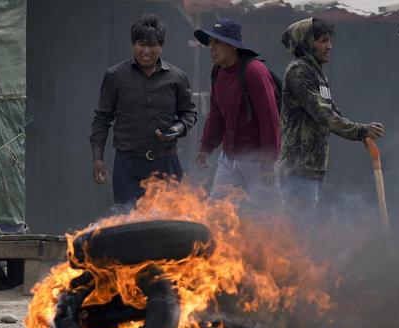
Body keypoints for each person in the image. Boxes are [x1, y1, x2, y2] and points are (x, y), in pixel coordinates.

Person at [278, 17, 385, 230]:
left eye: (329, 41)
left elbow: (334, 111)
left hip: (314, 168)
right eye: (323, 41)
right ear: (307, 42)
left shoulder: (316, 73)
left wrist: (361, 131)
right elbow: (323, 114)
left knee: (305, 230)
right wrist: (359, 130)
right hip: (298, 169)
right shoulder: (299, 72)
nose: (329, 47)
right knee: (296, 233)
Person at [90, 14, 197, 205]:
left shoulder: (177, 77)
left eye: (152, 45)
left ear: (161, 46)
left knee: (169, 223)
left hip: (166, 163)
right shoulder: (115, 76)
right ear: (133, 45)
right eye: (141, 44)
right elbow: (102, 119)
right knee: (130, 222)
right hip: (128, 165)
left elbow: (189, 113)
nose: (146, 51)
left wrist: (177, 129)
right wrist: (97, 159)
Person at [194, 19, 281, 208]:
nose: (211, 48)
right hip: (229, 159)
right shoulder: (217, 72)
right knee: (217, 212)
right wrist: (205, 148)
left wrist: (268, 162)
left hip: (258, 161)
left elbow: (270, 119)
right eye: (210, 43)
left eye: (217, 43)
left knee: (267, 217)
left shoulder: (254, 72)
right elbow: (216, 115)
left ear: (232, 47)